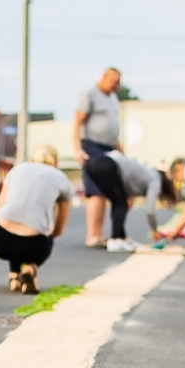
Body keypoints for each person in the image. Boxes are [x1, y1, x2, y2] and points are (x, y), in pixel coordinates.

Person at [0, 146, 73, 294]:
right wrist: (50, 235)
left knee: (14, 232)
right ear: (56, 163)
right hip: (33, 245)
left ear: (31, 160)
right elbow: (59, 228)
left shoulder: (17, 170)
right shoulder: (61, 179)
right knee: (37, 236)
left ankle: (14, 278)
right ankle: (30, 269)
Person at [82, 150, 174, 252]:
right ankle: (116, 239)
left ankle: (122, 237)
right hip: (108, 164)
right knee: (120, 203)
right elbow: (150, 211)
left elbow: (126, 181)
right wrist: (155, 230)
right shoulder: (155, 180)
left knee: (118, 201)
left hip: (92, 164)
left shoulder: (145, 173)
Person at [73, 67, 123, 248]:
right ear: (104, 77)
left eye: (119, 82)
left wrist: (121, 152)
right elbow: (77, 121)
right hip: (92, 145)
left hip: (109, 147)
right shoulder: (90, 94)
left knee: (109, 190)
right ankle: (92, 235)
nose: (116, 85)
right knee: (96, 190)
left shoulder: (112, 98)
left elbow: (114, 128)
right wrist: (77, 148)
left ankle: (100, 233)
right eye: (114, 81)